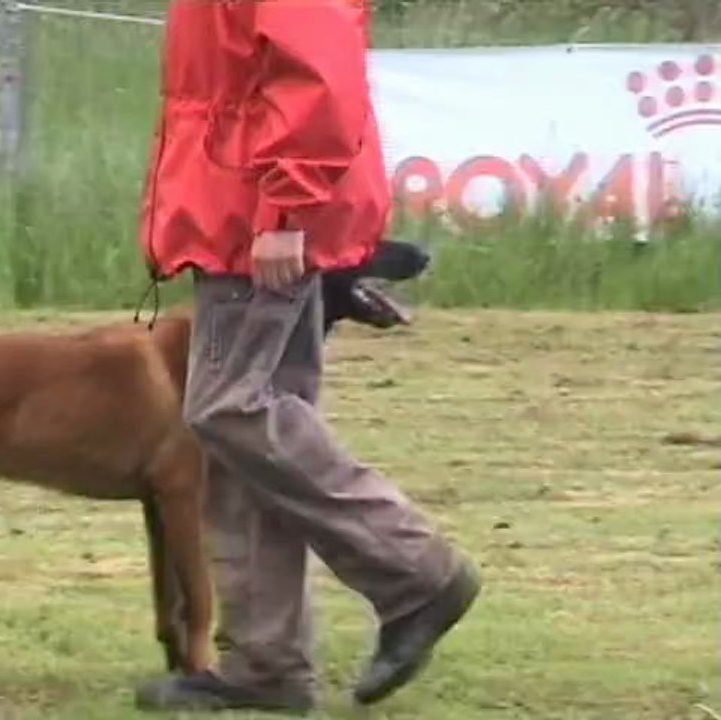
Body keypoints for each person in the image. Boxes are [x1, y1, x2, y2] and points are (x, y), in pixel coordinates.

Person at [134, 1, 480, 713]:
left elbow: (318, 75)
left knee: (230, 409)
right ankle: (267, 666)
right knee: (246, 444)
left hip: (260, 217)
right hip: (242, 208)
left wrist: (286, 211)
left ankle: (415, 571)